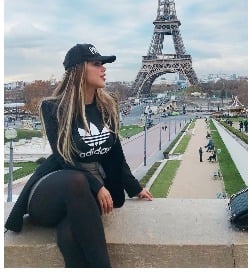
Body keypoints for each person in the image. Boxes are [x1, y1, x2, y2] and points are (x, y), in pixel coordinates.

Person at [4, 43, 153, 267]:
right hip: (52, 193)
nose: (103, 69)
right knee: (77, 180)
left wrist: (135, 187)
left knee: (72, 234)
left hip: (82, 198)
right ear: (78, 70)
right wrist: (97, 185)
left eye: (103, 64)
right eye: (96, 64)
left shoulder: (107, 107)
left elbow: (115, 155)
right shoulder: (53, 108)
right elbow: (64, 158)